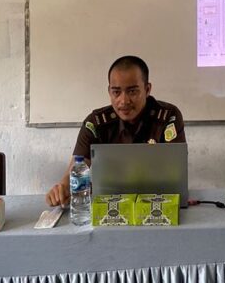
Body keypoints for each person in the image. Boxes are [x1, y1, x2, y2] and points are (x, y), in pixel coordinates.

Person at [46, 55, 185, 206]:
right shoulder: (96, 123)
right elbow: (77, 167)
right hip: (111, 206)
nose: (123, 101)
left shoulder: (167, 117)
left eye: (132, 91)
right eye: (116, 92)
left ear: (147, 89)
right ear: (109, 91)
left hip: (157, 204)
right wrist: (62, 188)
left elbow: (175, 173)